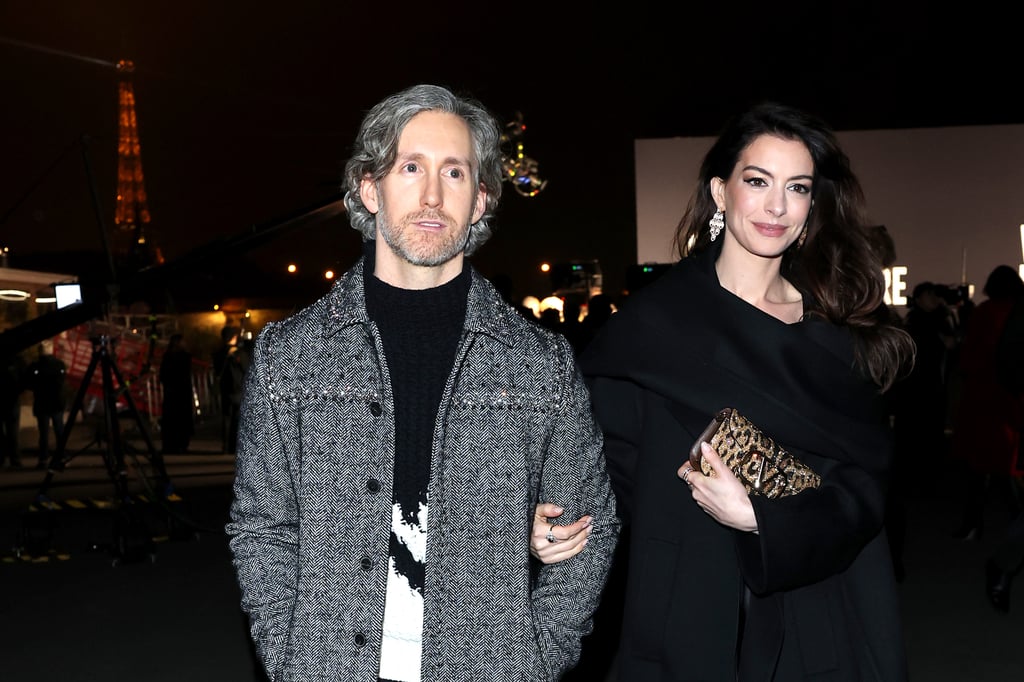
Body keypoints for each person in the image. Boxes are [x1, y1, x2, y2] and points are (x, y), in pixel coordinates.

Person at [225, 83, 619, 682]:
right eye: (411, 167)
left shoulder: (539, 364)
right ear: (369, 188)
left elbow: (590, 523)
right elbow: (262, 529)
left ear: (482, 198)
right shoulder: (293, 356)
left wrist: (536, 660)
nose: (433, 195)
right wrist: (288, 660)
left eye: (455, 173)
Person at [572, 101, 915, 680]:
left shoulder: (834, 335)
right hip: (683, 606)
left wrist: (763, 519)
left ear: (811, 206)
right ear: (720, 191)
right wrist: (553, 519)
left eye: (797, 188)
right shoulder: (653, 326)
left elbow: (865, 491)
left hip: (813, 606)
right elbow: (604, 475)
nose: (776, 206)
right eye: (757, 181)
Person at [948, 265, 1024, 541]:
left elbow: (970, 357)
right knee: (1008, 468)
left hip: (983, 399)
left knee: (981, 468)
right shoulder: (1017, 312)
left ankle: (973, 524)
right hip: (1011, 400)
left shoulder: (984, 313)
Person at [26, 340, 68, 470]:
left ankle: (43, 458)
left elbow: (29, 383)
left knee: (43, 433)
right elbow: (62, 381)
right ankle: (61, 457)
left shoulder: (35, 366)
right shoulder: (59, 365)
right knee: (59, 431)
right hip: (56, 403)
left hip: (42, 403)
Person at [158, 333, 195, 454]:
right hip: (181, 393)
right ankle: (180, 444)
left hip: (172, 393)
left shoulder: (168, 357)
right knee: (181, 419)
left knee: (171, 420)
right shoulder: (183, 357)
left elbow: (163, 375)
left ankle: (171, 444)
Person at [1, 353, 27, 468]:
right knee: (13, 432)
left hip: (6, 399)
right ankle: (15, 459)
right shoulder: (17, 360)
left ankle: (2, 459)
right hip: (13, 399)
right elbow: (25, 379)